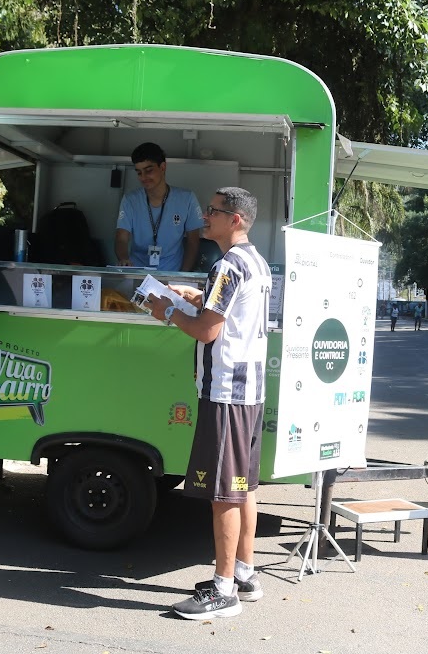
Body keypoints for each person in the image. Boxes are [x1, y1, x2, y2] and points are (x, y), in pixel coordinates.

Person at [147, 187, 271, 620]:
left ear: (234, 219)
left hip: (225, 392)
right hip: (250, 391)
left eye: (214, 211)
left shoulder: (226, 265)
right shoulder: (255, 262)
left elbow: (207, 331)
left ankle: (222, 590)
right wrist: (197, 297)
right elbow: (232, 313)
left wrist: (166, 310)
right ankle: (245, 575)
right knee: (244, 486)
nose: (205, 216)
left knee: (223, 493)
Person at [115, 142, 204, 271]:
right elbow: (121, 238)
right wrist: (124, 259)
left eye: (148, 171)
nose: (143, 177)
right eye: (139, 173)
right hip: (137, 272)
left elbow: (193, 242)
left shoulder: (187, 198)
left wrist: (182, 276)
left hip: (172, 272)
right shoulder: (130, 200)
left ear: (162, 167)